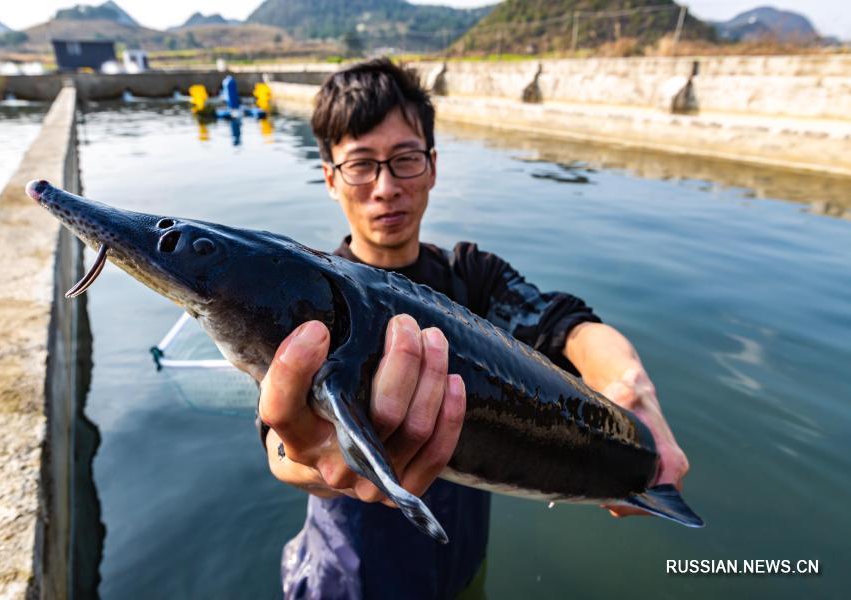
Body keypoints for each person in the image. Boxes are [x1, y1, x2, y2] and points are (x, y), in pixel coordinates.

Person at [256, 58, 690, 599]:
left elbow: (569, 326)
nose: (386, 187)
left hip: (460, 566)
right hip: (349, 579)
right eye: (361, 165)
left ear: (433, 166)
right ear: (330, 178)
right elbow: (279, 443)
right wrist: (318, 459)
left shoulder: (470, 279)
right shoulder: (304, 298)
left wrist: (632, 389)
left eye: (405, 160)